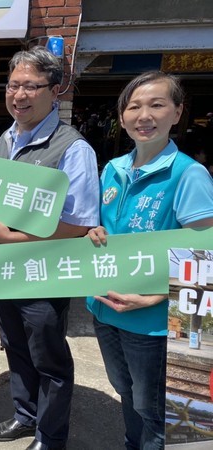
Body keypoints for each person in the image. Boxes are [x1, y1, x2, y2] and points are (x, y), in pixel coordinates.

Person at [86, 71, 213, 450]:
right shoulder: (112, 170)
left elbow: (205, 257)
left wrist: (155, 296)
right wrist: (94, 232)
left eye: (157, 105)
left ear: (177, 112)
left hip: (153, 322)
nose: (144, 116)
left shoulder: (188, 175)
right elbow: (102, 226)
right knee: (126, 391)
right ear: (121, 116)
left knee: (155, 407)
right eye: (134, 106)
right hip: (105, 309)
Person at [0, 46, 100, 450]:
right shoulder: (6, 138)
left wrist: (10, 238)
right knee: (16, 347)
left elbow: (79, 224)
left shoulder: (73, 148)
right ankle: (25, 414)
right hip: (3, 269)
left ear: (55, 90)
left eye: (31, 86)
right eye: (13, 85)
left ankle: (50, 436)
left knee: (49, 358)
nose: (19, 95)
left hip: (44, 275)